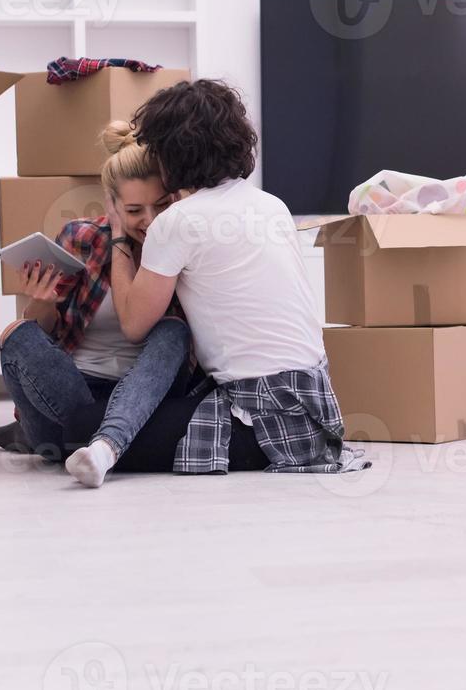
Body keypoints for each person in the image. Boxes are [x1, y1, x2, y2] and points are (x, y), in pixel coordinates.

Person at [102, 79, 368, 475]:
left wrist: (119, 235)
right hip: (315, 410)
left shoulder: (177, 222)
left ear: (169, 155)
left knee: (78, 426)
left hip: (260, 422)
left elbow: (134, 324)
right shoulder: (272, 204)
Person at [0, 121, 192, 484]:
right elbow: (46, 334)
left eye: (160, 205)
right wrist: (41, 303)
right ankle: (78, 440)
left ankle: (100, 442)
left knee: (173, 333)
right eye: (134, 211)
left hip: (145, 398)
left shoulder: (179, 243)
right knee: (18, 335)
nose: (150, 220)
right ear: (111, 204)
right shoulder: (81, 237)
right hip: (70, 394)